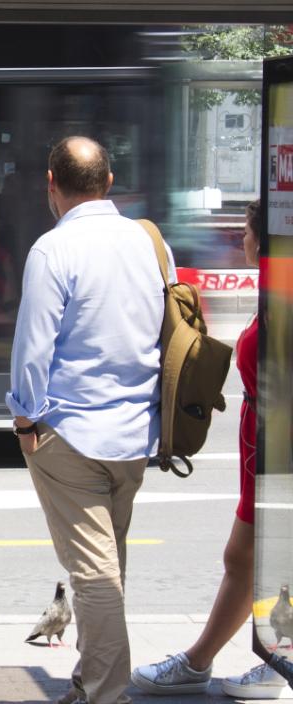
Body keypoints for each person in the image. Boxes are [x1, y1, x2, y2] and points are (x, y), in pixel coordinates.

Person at [7, 136, 169, 704]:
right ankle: (88, 681)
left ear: (51, 184)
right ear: (109, 181)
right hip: (135, 434)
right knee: (107, 564)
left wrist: (25, 422)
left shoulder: (53, 250)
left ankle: (106, 692)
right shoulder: (149, 242)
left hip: (71, 436)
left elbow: (33, 349)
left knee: (94, 574)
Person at [131, 201, 288, 699]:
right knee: (254, 558)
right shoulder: (275, 289)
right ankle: (269, 658)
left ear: (262, 240)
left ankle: (206, 662)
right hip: (263, 448)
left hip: (276, 451)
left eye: (245, 231)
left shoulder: (283, 293)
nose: (240, 239)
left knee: (245, 557)